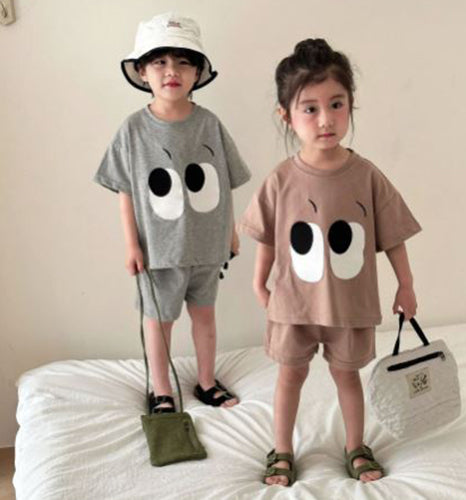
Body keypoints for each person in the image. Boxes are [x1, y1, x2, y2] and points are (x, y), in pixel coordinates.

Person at [239, 38, 422, 485]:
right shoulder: (281, 179)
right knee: (289, 377)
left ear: (350, 105)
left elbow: (393, 235)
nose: (325, 119)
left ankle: (356, 446)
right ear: (286, 115)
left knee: (347, 377)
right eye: (310, 108)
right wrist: (259, 283)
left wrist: (406, 284)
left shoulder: (366, 175)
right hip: (293, 304)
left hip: (348, 305)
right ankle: (282, 450)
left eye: (336, 105)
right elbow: (268, 235)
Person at [94, 13, 251, 413]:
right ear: (142, 71)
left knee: (205, 318)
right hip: (159, 252)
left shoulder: (209, 124)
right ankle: (161, 390)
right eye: (160, 62)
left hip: (207, 247)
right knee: (159, 322)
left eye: (183, 62)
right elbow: (125, 190)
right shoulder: (133, 130)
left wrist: (231, 232)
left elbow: (224, 180)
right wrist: (132, 245)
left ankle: (206, 381)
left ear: (197, 72)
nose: (171, 72)